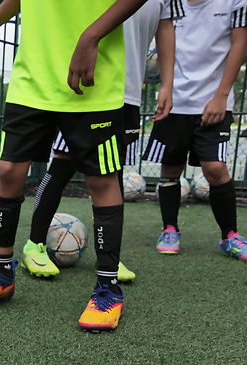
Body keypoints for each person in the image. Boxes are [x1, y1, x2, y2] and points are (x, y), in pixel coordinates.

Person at [0, 0, 149, 332]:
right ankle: (2, 274)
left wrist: (92, 35)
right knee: (8, 171)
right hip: (32, 78)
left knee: (102, 180)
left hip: (91, 76)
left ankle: (108, 288)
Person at [22, 0, 178, 284]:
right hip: (88, 84)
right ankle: (35, 244)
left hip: (129, 89)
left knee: (112, 170)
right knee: (62, 162)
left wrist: (167, 84)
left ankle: (108, 258)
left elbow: (165, 27)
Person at [142, 0, 247, 263]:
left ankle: (230, 236)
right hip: (174, 101)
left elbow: (239, 44)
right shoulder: (169, 2)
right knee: (170, 167)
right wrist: (165, 86)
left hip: (213, 102)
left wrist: (221, 95)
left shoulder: (237, 1)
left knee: (215, 168)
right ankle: (170, 229)